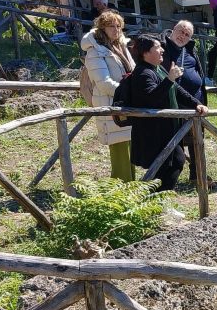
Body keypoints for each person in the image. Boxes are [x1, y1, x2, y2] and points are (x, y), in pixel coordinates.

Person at [129, 34, 209, 190]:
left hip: (166, 129)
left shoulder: (157, 69)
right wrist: (170, 79)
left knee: (174, 162)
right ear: (146, 53)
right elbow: (152, 99)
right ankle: (157, 201)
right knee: (170, 164)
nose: (162, 51)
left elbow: (177, 91)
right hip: (153, 132)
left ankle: (158, 201)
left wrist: (197, 104)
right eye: (157, 47)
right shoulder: (142, 73)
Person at [80, 10, 136, 180]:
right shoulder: (95, 50)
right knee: (119, 150)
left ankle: (131, 186)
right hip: (111, 103)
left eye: (118, 26)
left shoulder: (121, 46)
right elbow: (103, 83)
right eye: (111, 26)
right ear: (102, 28)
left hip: (125, 102)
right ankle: (121, 190)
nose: (116, 29)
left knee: (130, 148)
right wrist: (129, 93)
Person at [162, 20, 207, 183]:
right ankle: (171, 177)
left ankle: (197, 175)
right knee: (176, 142)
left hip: (195, 103)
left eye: (187, 34)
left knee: (197, 141)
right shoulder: (162, 48)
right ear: (173, 30)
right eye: (181, 31)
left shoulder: (190, 50)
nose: (183, 36)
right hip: (173, 103)